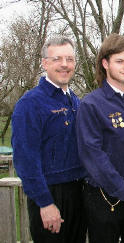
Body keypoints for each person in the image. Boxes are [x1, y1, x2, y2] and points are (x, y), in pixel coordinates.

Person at [76, 33, 124, 243]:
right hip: (103, 198)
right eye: (120, 61)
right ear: (105, 63)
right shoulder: (91, 105)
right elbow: (93, 157)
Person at [11, 36, 87, 243]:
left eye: (70, 59)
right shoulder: (31, 104)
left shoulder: (76, 102)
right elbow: (25, 159)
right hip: (50, 195)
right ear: (45, 63)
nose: (65, 65)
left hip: (78, 192)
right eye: (57, 59)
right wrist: (45, 203)